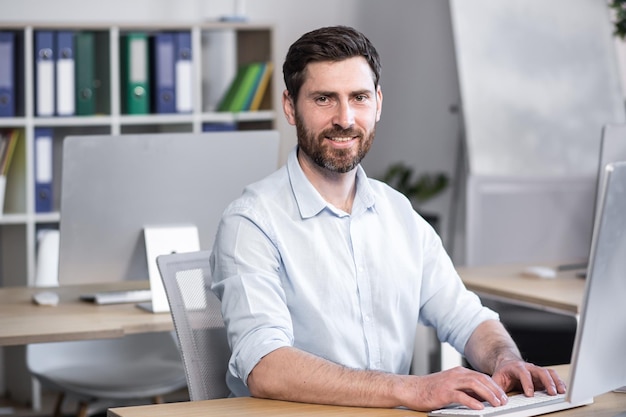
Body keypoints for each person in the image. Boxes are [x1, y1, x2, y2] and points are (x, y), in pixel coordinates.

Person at [210, 25, 566, 412]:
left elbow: (466, 317)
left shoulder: (398, 214)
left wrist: (505, 360)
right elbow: (266, 367)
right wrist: (414, 390)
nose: (345, 118)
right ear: (291, 107)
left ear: (378, 103)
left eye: (358, 97)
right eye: (324, 99)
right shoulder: (251, 222)